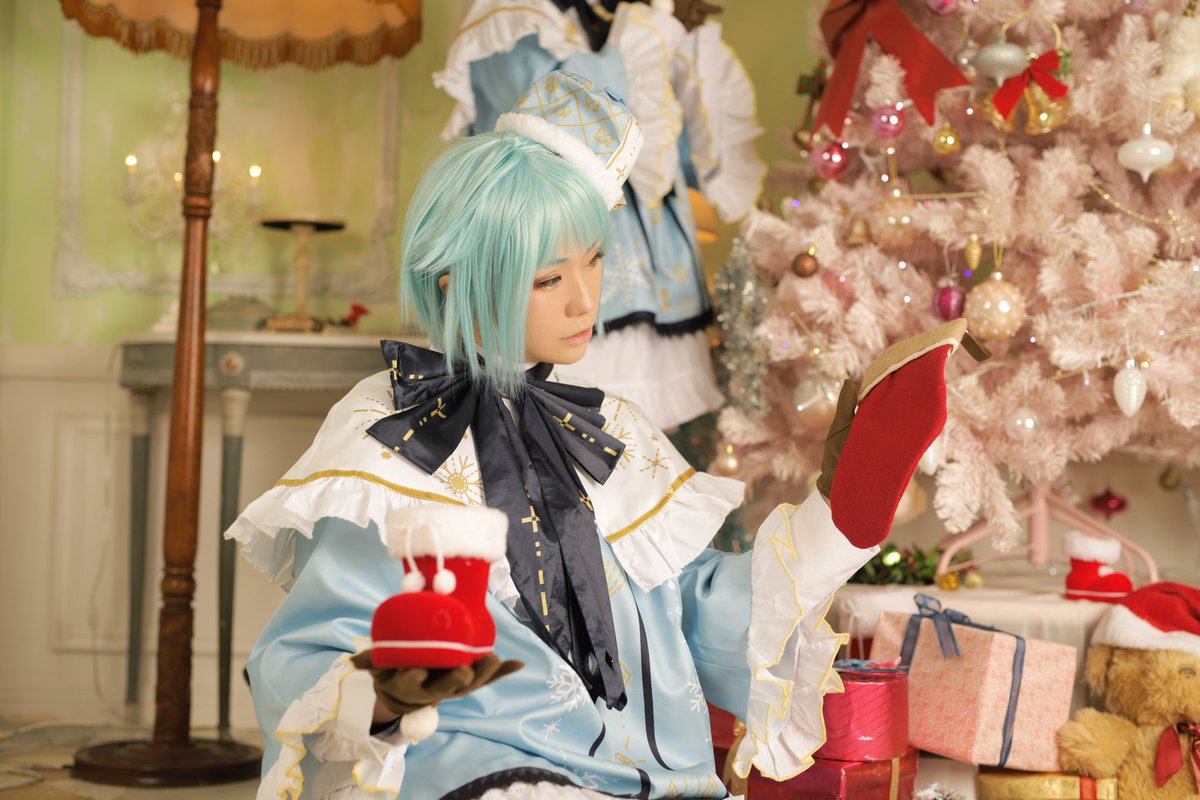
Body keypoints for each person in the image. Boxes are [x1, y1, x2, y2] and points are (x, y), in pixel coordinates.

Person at [227, 71, 982, 800]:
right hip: (470, 770)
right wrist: (387, 695)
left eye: (594, 262)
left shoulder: (609, 428)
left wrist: (838, 515)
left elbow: (696, 616)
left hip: (647, 774)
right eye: (548, 279)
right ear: (458, 279)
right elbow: (303, 655)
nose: (586, 300)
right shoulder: (390, 430)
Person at [432, 0, 765, 431]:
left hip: (649, 244)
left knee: (637, 425)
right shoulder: (512, 16)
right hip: (550, 219)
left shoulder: (631, 17)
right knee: (549, 398)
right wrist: (648, 36)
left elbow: (684, 129)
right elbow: (542, 115)